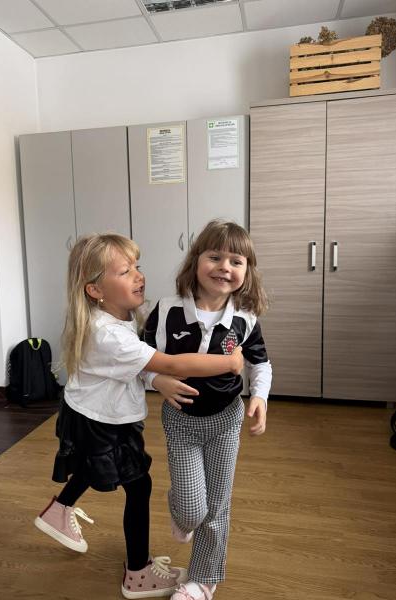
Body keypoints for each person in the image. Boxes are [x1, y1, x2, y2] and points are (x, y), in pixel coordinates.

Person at [34, 233, 244, 599]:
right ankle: (137, 574)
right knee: (138, 485)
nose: (139, 276)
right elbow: (172, 363)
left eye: (137, 266)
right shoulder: (109, 334)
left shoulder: (117, 318)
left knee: (94, 466)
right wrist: (229, 363)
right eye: (125, 271)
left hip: (94, 415)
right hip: (100, 421)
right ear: (95, 290)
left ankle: (60, 508)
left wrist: (155, 379)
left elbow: (137, 367)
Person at [143, 220, 272, 600]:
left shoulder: (245, 318)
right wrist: (156, 381)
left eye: (236, 261)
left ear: (247, 271)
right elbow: (140, 358)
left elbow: (260, 364)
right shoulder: (166, 311)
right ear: (196, 260)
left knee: (217, 507)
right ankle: (182, 511)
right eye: (215, 257)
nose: (224, 267)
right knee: (191, 511)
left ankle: (203, 579)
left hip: (226, 421)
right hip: (181, 421)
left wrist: (260, 397)